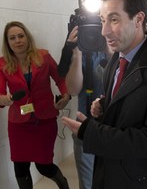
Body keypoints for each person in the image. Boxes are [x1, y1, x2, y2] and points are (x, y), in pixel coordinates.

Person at [62, 0, 147, 189]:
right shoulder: (117, 60)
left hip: (146, 178)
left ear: (138, 19)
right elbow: (130, 105)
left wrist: (91, 132)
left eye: (114, 20)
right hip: (116, 171)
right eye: (102, 21)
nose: (104, 31)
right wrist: (105, 109)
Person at [0, 21, 70, 189]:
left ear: (27, 37)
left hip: (45, 120)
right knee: (20, 166)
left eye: (20, 36)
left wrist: (66, 95)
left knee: (44, 166)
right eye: (12, 38)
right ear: (7, 42)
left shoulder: (43, 57)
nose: (17, 41)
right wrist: (4, 99)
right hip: (18, 124)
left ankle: (64, 185)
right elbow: (0, 93)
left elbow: (60, 79)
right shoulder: (2, 64)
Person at [58, 25, 110, 189]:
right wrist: (77, 53)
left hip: (116, 127)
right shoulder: (84, 52)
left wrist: (110, 50)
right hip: (86, 125)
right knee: (87, 184)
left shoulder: (120, 48)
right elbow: (73, 89)